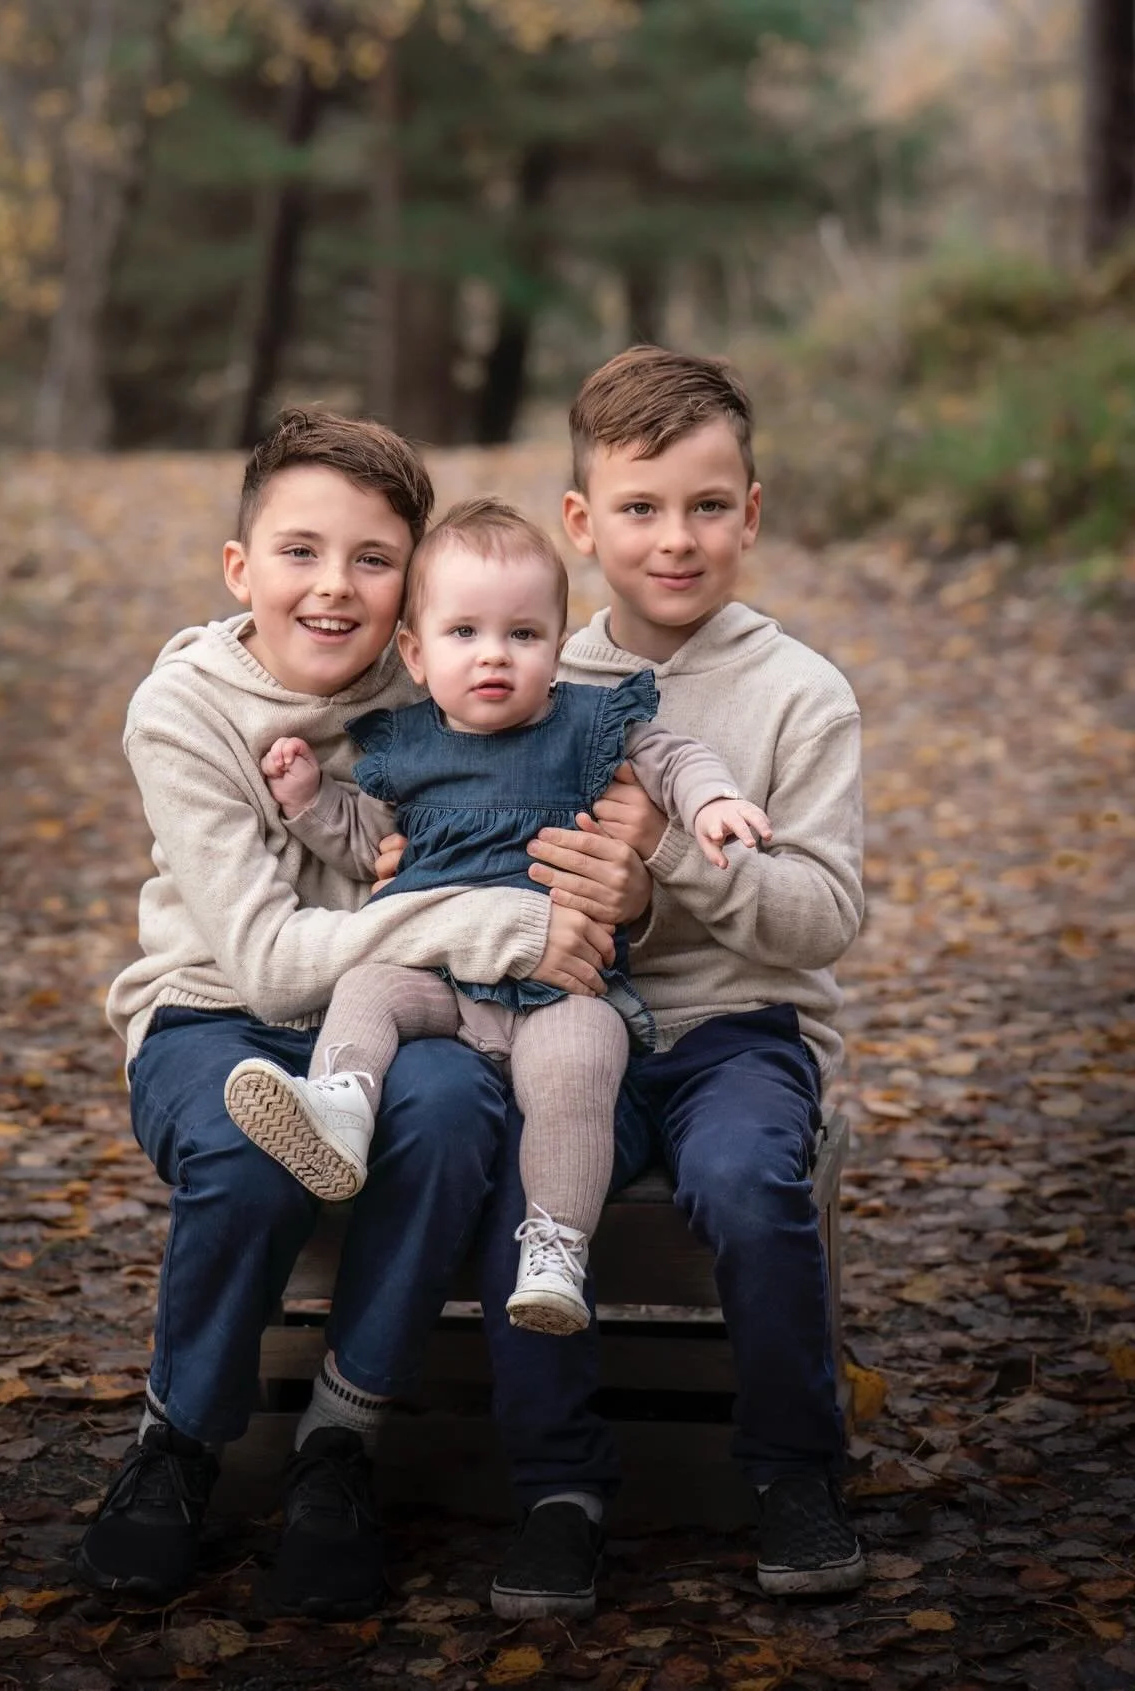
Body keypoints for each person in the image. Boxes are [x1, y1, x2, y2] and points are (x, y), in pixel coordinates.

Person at [73, 410, 634, 1621]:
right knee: (243, 1150)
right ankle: (178, 1439)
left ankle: (341, 1437)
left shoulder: (443, 675)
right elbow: (272, 965)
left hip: (409, 1024)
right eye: (300, 552)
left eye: (373, 561)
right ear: (241, 567)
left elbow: (584, 762)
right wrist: (482, 927)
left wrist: (624, 868)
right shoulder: (183, 709)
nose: (335, 588)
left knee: (447, 1116)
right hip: (220, 1009)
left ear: (412, 583)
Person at [424, 348, 864, 1617]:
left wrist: (663, 874)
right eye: (640, 508)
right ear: (582, 522)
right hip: (571, 1028)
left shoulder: (801, 696)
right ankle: (561, 1489)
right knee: (534, 1192)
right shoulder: (525, 667)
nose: (676, 540)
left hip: (739, 1031)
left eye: (707, 507)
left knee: (743, 1176)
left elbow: (825, 914)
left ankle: (794, 1469)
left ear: (752, 512)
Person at [221, 497, 772, 1337]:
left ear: (559, 648)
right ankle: (338, 1105)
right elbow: (369, 844)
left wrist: (712, 802)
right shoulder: (407, 746)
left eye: (523, 635)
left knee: (581, 1068)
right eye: (464, 633)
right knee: (366, 985)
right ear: (415, 649)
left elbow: (673, 757)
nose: (494, 657)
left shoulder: (587, 726)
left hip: (561, 986)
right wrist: (307, 801)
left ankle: (556, 1246)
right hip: (440, 983)